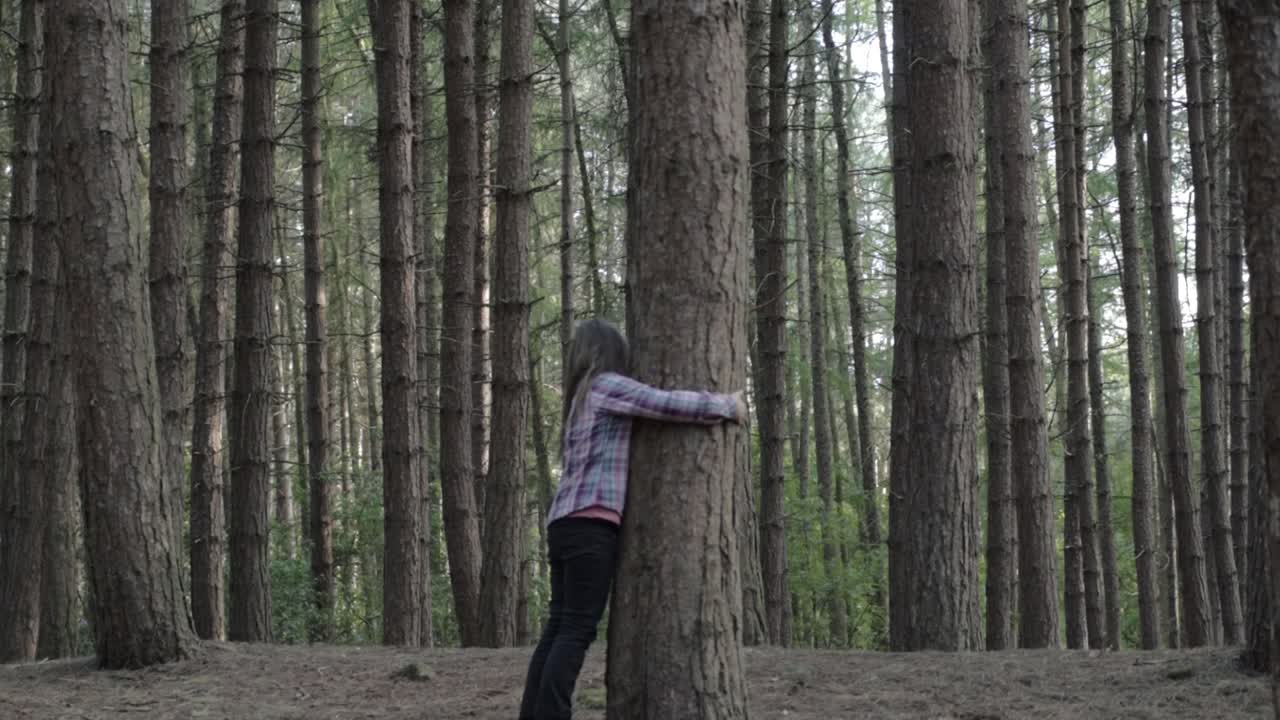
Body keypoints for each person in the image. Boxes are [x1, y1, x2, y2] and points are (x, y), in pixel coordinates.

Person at [518, 318, 746, 720]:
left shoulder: (581, 397)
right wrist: (726, 405)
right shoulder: (606, 386)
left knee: (559, 626)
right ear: (609, 353)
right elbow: (663, 403)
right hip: (590, 525)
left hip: (564, 524)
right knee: (575, 629)